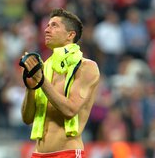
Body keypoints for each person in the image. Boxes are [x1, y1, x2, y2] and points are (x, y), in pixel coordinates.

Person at [20, 8, 100, 158]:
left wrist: (41, 81)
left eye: (54, 25)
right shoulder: (44, 67)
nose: (46, 30)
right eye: (47, 25)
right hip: (38, 154)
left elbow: (70, 110)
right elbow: (27, 118)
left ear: (70, 35)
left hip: (67, 153)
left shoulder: (86, 67)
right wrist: (30, 87)